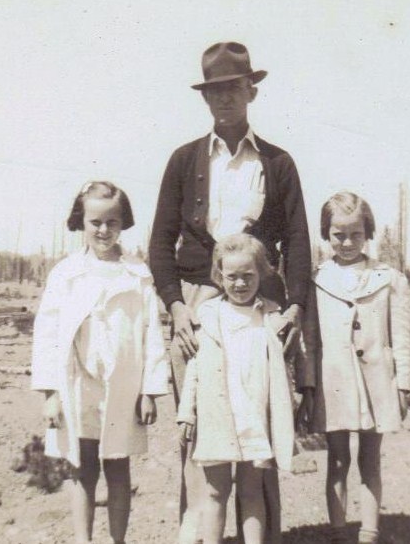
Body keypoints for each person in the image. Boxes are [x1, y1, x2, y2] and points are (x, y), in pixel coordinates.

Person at [149, 41, 311, 543]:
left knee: (260, 423)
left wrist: (295, 309)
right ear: (205, 98)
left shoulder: (278, 162)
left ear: (251, 91)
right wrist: (176, 307)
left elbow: (300, 240)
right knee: (200, 424)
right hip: (198, 303)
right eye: (214, 91)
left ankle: (263, 534)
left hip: (261, 309)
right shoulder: (184, 160)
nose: (224, 99)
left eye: (233, 88)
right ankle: (196, 531)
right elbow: (159, 240)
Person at [31, 181, 169, 544]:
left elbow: (151, 333)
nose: (104, 230)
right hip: (77, 383)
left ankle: (118, 540)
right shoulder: (66, 274)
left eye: (112, 222)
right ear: (81, 222)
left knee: (118, 464)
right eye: (95, 222)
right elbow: (47, 334)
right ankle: (83, 539)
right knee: (82, 464)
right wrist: (51, 393)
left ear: (123, 222)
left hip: (123, 385)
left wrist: (150, 391)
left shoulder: (137, 274)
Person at [295, 191, 410, 544]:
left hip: (377, 382)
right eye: (338, 234)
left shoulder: (389, 279)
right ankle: (338, 532)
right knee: (336, 459)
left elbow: (402, 337)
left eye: (356, 234)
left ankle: (369, 532)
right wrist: (308, 388)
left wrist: (402, 384)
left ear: (368, 232)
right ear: (326, 234)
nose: (347, 242)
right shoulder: (316, 280)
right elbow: (309, 342)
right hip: (333, 384)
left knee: (371, 459)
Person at [177, 234, 295, 544]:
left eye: (248, 276)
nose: (240, 284)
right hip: (216, 414)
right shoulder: (208, 313)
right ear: (219, 276)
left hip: (252, 414)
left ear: (261, 273)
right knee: (216, 491)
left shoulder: (269, 314)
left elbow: (285, 365)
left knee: (251, 491)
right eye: (232, 276)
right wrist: (186, 412)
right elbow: (194, 367)